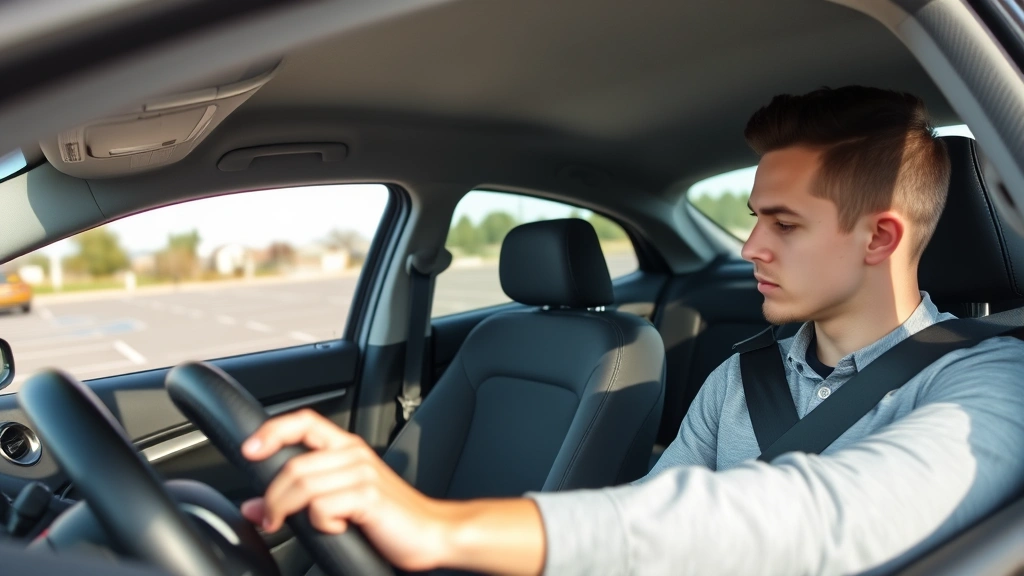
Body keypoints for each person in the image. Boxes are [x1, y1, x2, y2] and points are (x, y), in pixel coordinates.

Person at [238, 86, 1024, 575]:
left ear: (880, 238)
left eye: (784, 224)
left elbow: (818, 516)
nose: (750, 246)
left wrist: (444, 528)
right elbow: (658, 518)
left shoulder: (986, 385)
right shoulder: (737, 377)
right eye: (754, 219)